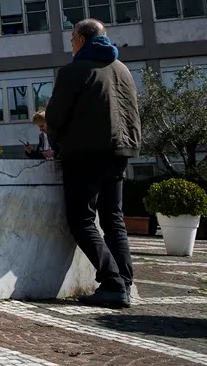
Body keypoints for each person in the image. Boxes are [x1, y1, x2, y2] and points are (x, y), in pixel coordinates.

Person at [45, 19, 141, 309]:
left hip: (85, 152)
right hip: (120, 150)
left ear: (83, 40)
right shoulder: (122, 69)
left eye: (72, 37)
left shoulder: (74, 70)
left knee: (82, 220)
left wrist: (57, 145)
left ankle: (112, 283)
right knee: (113, 218)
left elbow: (55, 116)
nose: (70, 42)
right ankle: (124, 281)